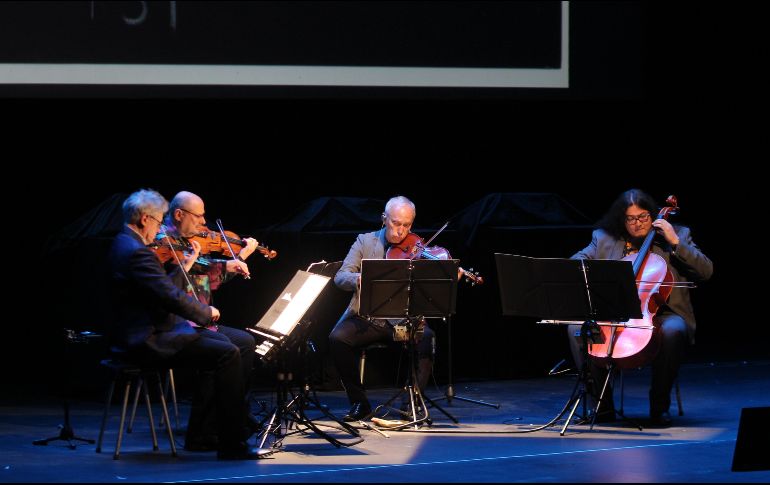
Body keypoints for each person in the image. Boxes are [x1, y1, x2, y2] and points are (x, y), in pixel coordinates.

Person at [108, 189, 265, 459]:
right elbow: (169, 296)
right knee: (228, 351)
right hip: (149, 336)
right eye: (158, 221)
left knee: (233, 345)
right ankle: (229, 441)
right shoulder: (138, 252)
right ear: (146, 219)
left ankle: (223, 431)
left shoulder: (123, 242)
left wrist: (194, 264)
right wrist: (205, 313)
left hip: (155, 327)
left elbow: (165, 290)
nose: (159, 227)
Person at [567, 188, 713, 427]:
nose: (638, 224)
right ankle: (602, 407)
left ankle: (659, 406)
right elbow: (575, 265)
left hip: (662, 314)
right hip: (614, 313)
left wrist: (674, 242)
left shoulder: (677, 234)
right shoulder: (604, 238)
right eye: (631, 219)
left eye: (643, 217)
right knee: (576, 328)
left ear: (653, 214)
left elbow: (706, 271)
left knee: (673, 330)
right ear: (621, 220)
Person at [158, 191, 259, 452]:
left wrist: (234, 262)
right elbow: (182, 276)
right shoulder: (162, 243)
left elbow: (208, 272)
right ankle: (205, 433)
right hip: (177, 324)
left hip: (201, 321)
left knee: (246, 343)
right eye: (199, 217)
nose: (205, 225)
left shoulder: (193, 244)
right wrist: (228, 262)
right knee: (225, 349)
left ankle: (225, 421)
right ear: (178, 215)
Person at [329, 196, 436, 422]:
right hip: (368, 318)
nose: (401, 231)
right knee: (338, 338)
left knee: (427, 337)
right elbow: (340, 277)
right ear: (384, 219)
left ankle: (412, 405)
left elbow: (432, 280)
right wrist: (360, 278)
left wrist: (445, 272)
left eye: (407, 225)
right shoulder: (365, 241)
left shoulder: (416, 247)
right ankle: (360, 403)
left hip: (402, 320)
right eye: (396, 223)